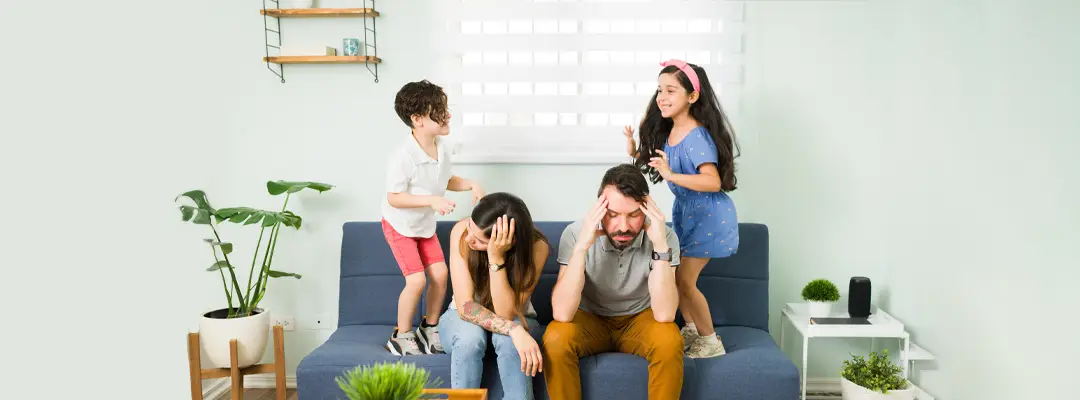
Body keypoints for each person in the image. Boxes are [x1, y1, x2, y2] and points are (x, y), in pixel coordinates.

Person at [623, 59, 741, 359]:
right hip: (689, 214)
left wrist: (672, 175)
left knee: (686, 282)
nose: (662, 97)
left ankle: (710, 341)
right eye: (659, 90)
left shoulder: (696, 135)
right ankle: (691, 329)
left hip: (709, 217)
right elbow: (658, 162)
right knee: (678, 279)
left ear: (692, 96)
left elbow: (712, 182)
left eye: (671, 90)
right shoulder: (672, 132)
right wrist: (633, 149)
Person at [542, 164, 684, 400]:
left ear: (647, 210)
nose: (623, 227)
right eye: (613, 215)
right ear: (599, 210)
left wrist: (660, 246)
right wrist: (582, 247)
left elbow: (665, 314)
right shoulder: (576, 233)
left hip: (640, 319)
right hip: (589, 318)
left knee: (669, 340)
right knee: (555, 338)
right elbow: (563, 313)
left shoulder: (665, 236)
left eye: (634, 215)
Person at [382, 79, 485, 356]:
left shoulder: (441, 147)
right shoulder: (402, 156)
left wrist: (471, 184)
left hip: (424, 226)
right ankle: (401, 335)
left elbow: (445, 179)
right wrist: (431, 200)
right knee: (416, 281)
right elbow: (394, 197)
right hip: (400, 227)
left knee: (440, 275)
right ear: (417, 119)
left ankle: (429, 328)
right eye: (438, 110)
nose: (447, 115)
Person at [439, 192, 547, 400]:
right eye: (470, 227)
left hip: (515, 315)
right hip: (462, 319)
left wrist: (496, 257)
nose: (469, 239)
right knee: (469, 338)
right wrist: (513, 329)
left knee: (510, 342)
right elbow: (466, 307)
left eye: (480, 240)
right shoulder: (461, 232)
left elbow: (506, 313)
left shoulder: (536, 247)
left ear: (509, 242)